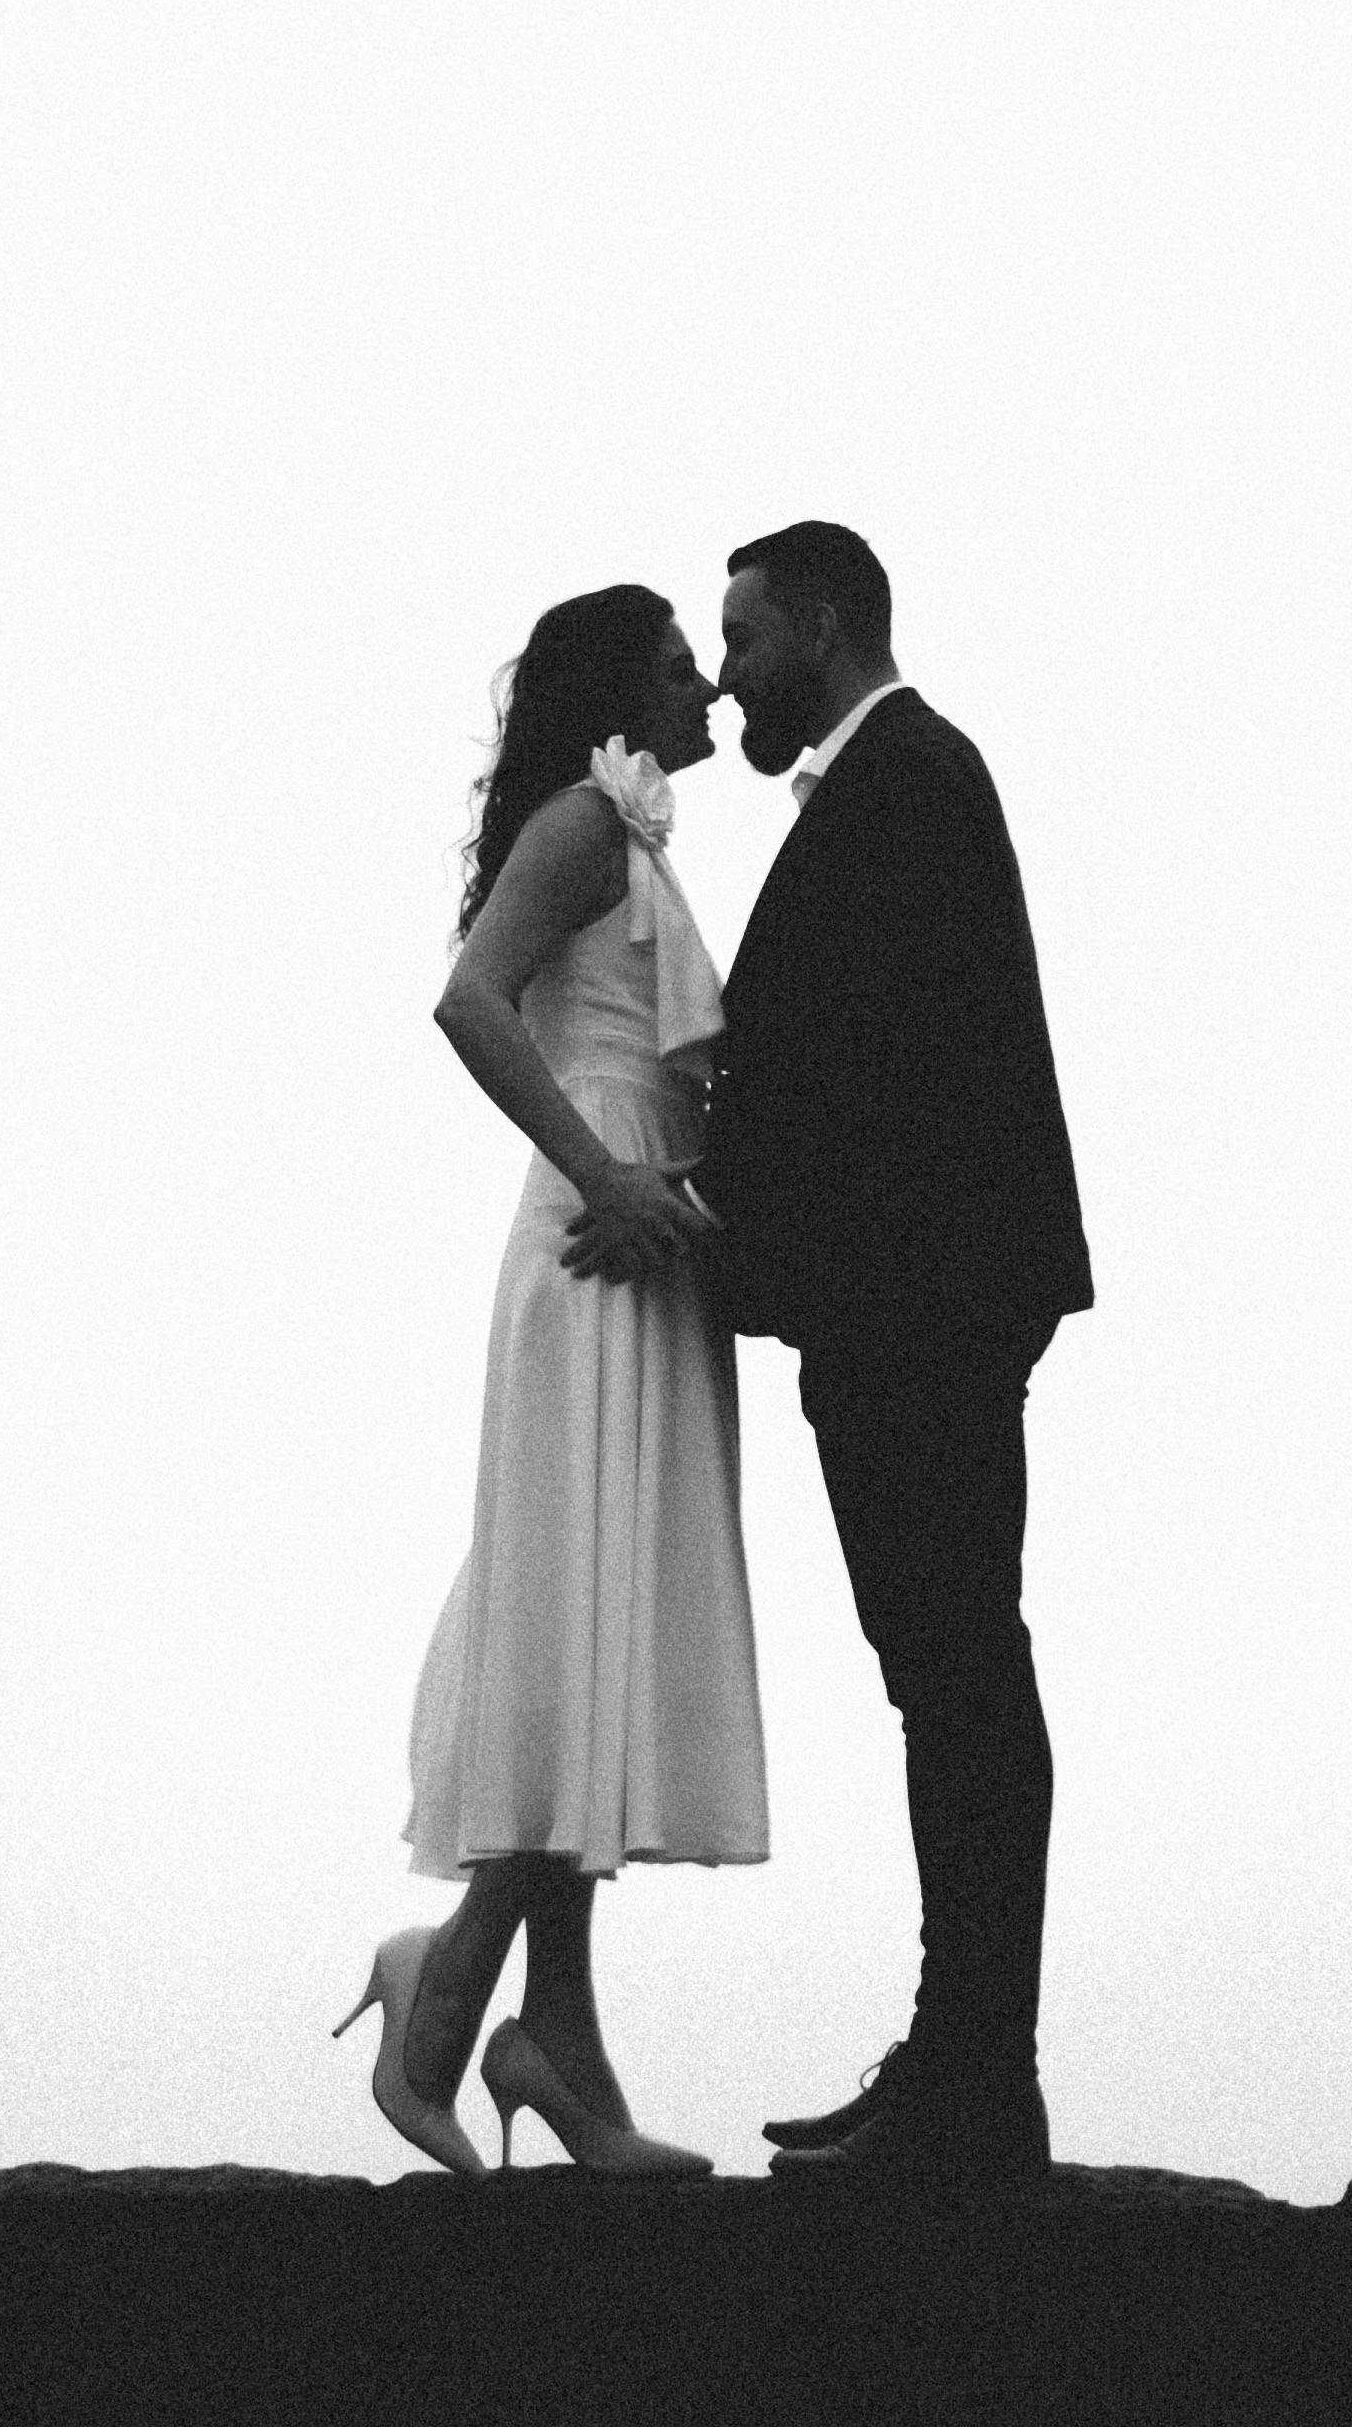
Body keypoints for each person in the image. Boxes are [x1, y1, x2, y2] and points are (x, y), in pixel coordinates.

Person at [663, 521, 1091, 2188]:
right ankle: (964, 2063)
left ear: (823, 626)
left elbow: (884, 1075)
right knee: (951, 1677)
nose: (725, 674)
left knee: (960, 1675)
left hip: (922, 1312)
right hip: (913, 1306)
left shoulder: (907, 780)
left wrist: (717, 1211)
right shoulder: (903, 781)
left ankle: (977, 2077)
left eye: (746, 637)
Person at [335, 583, 766, 2177]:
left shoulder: (638, 841)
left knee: (600, 1628)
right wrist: (606, 1173)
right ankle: (448, 1993)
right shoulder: (591, 819)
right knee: (571, 1608)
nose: (705, 678)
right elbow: (469, 999)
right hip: (596, 1240)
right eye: (677, 660)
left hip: (651, 1236)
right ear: (614, 690)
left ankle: (560, 2053)